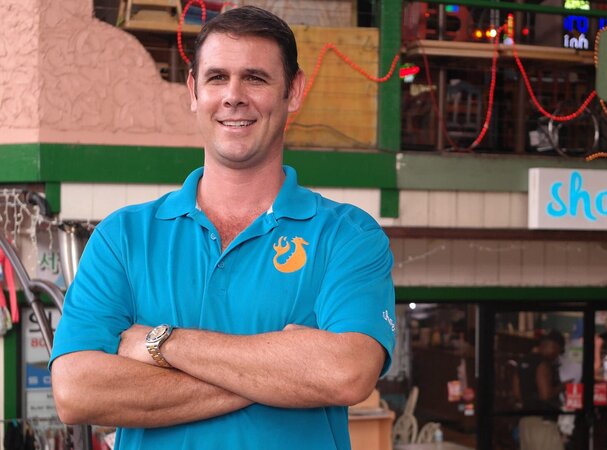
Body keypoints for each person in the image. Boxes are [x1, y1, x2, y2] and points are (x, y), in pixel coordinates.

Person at [49, 6, 395, 450]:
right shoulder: (123, 237)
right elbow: (76, 392)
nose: (234, 96)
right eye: (217, 78)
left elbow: (346, 374)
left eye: (255, 78)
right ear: (194, 90)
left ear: (294, 90)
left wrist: (162, 344)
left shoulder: (348, 236)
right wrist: (284, 372)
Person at [516, 330, 566, 450]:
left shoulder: (523, 361)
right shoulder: (543, 364)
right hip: (543, 423)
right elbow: (545, 395)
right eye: (558, 351)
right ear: (553, 346)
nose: (557, 355)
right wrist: (562, 387)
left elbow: (517, 394)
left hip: (525, 422)